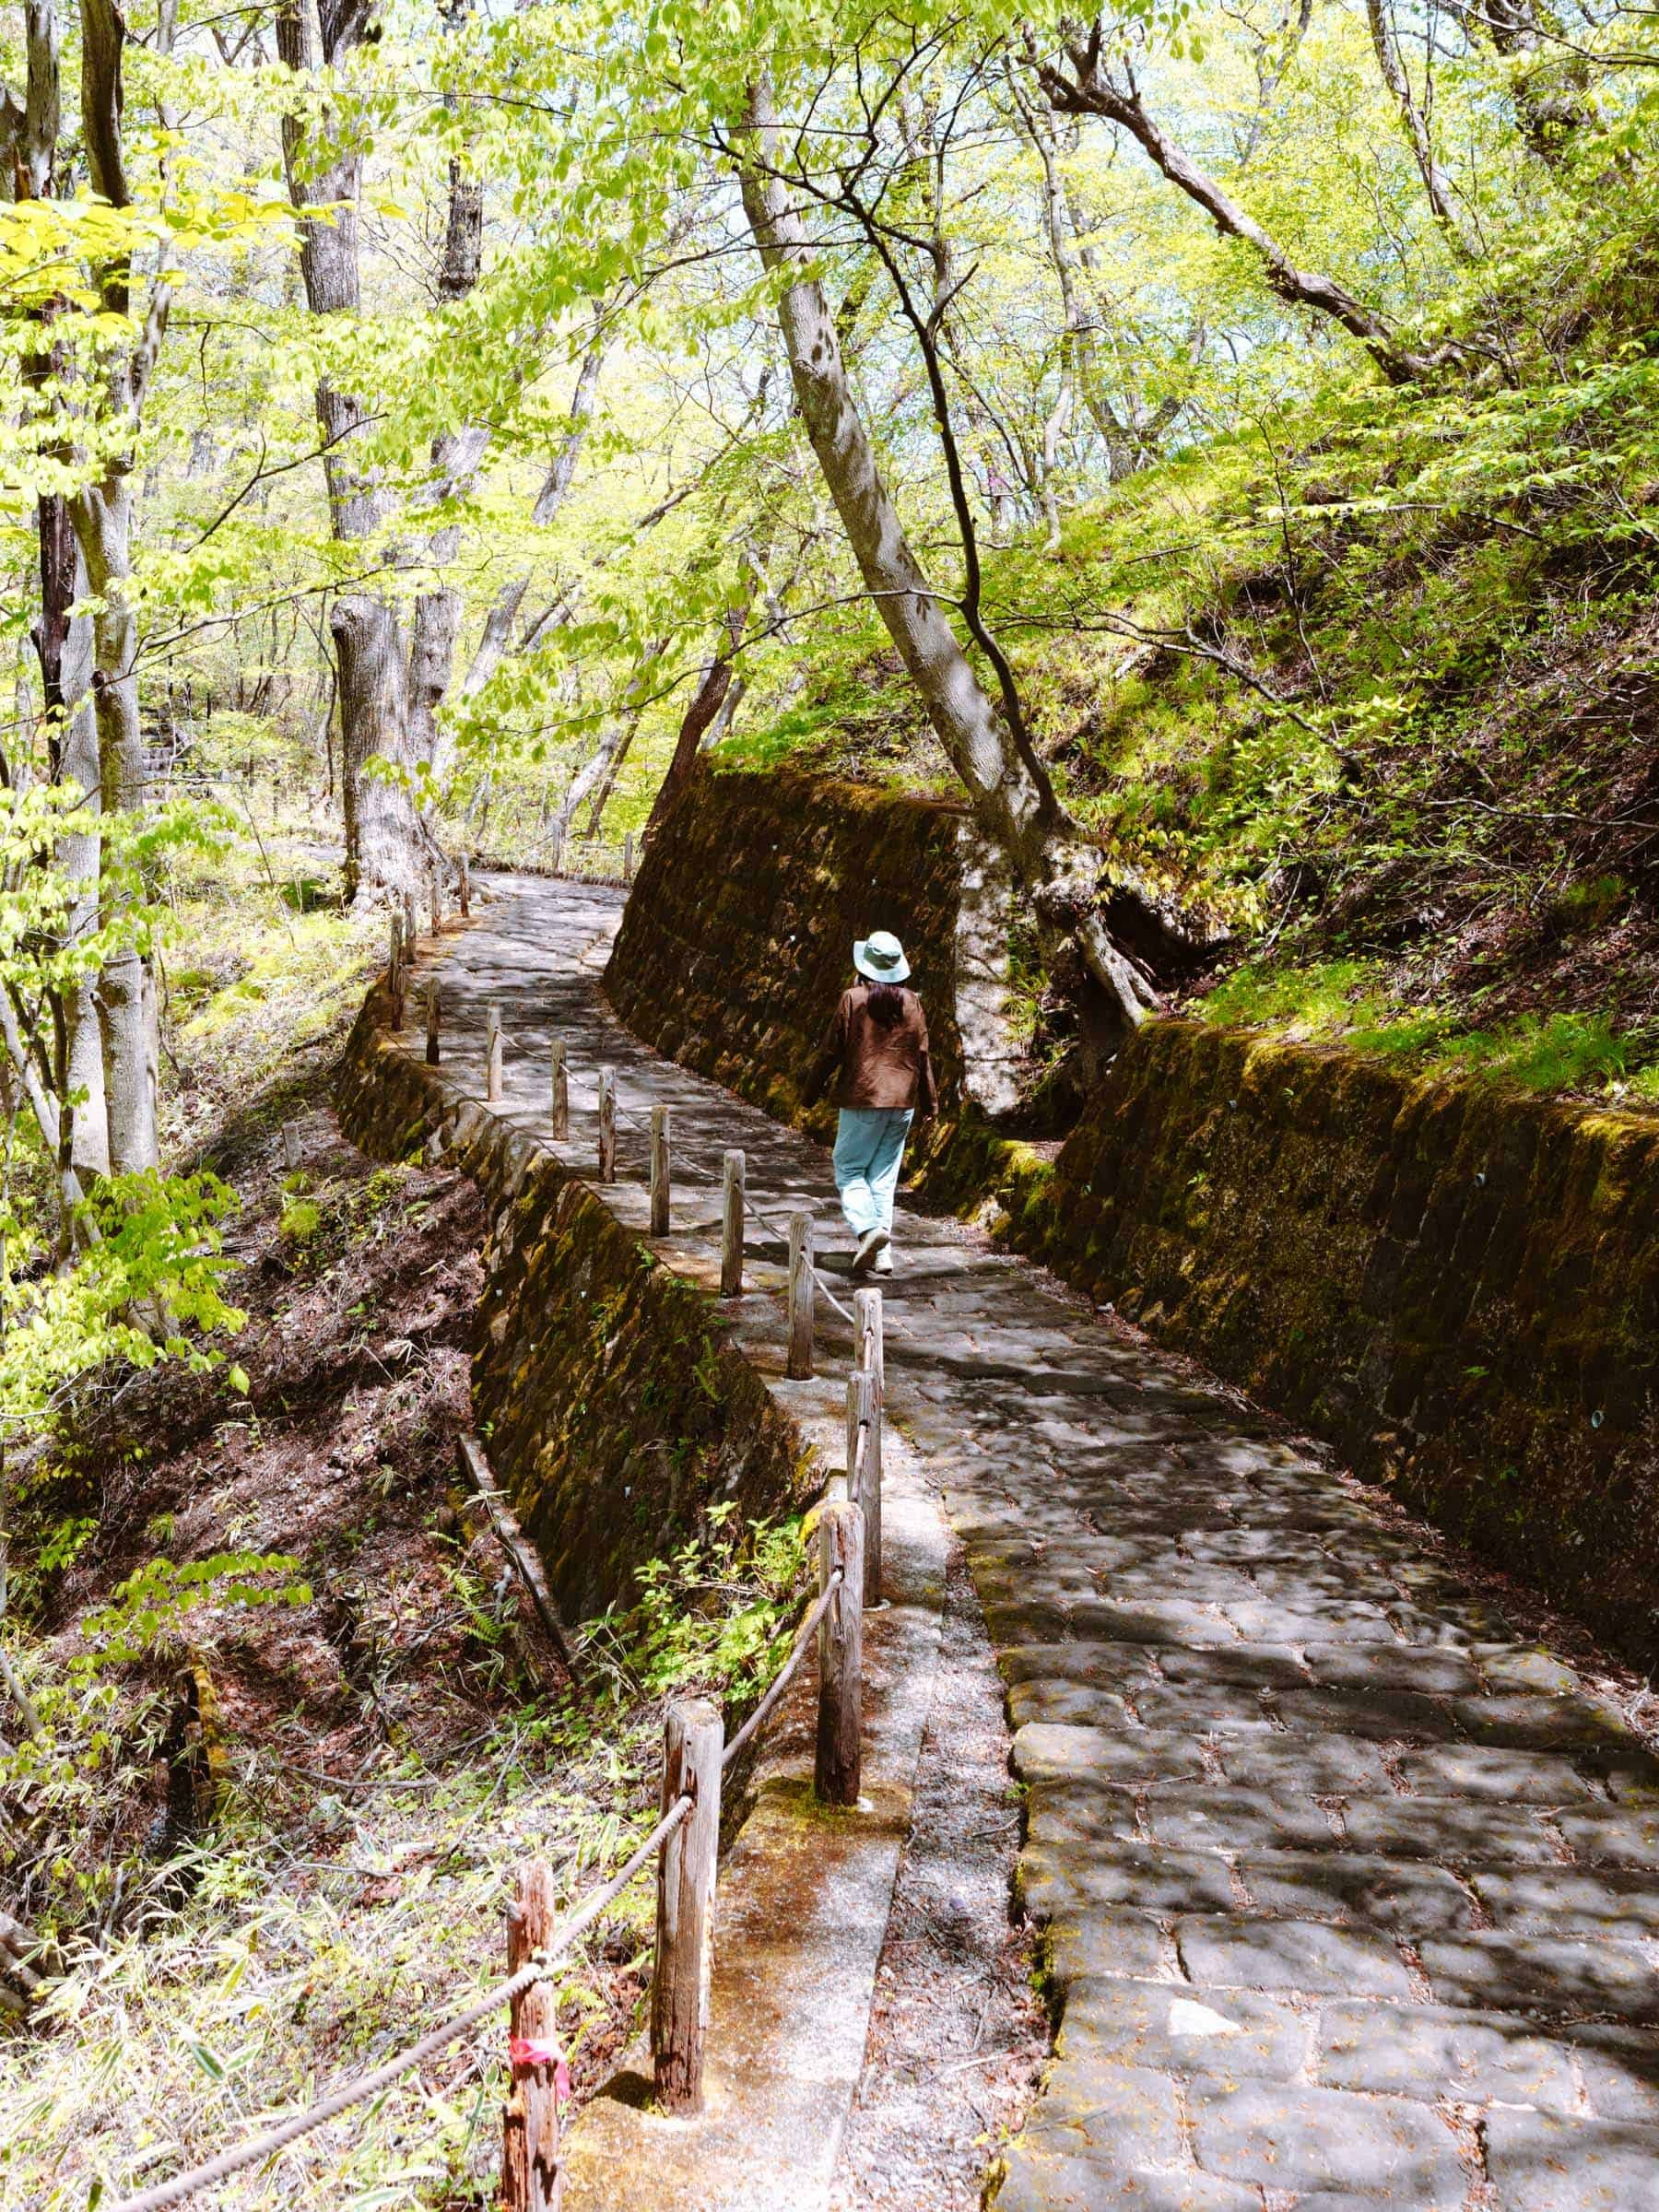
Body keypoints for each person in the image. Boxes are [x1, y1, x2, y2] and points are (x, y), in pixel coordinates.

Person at [805, 930, 936, 1276]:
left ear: (864, 966)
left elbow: (831, 1051)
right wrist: (931, 1104)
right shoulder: (912, 1002)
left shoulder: (853, 999)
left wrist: (810, 1091)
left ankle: (867, 1229)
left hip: (864, 1097)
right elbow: (922, 1056)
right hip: (902, 1101)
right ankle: (883, 1255)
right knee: (883, 1178)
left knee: (848, 1168)